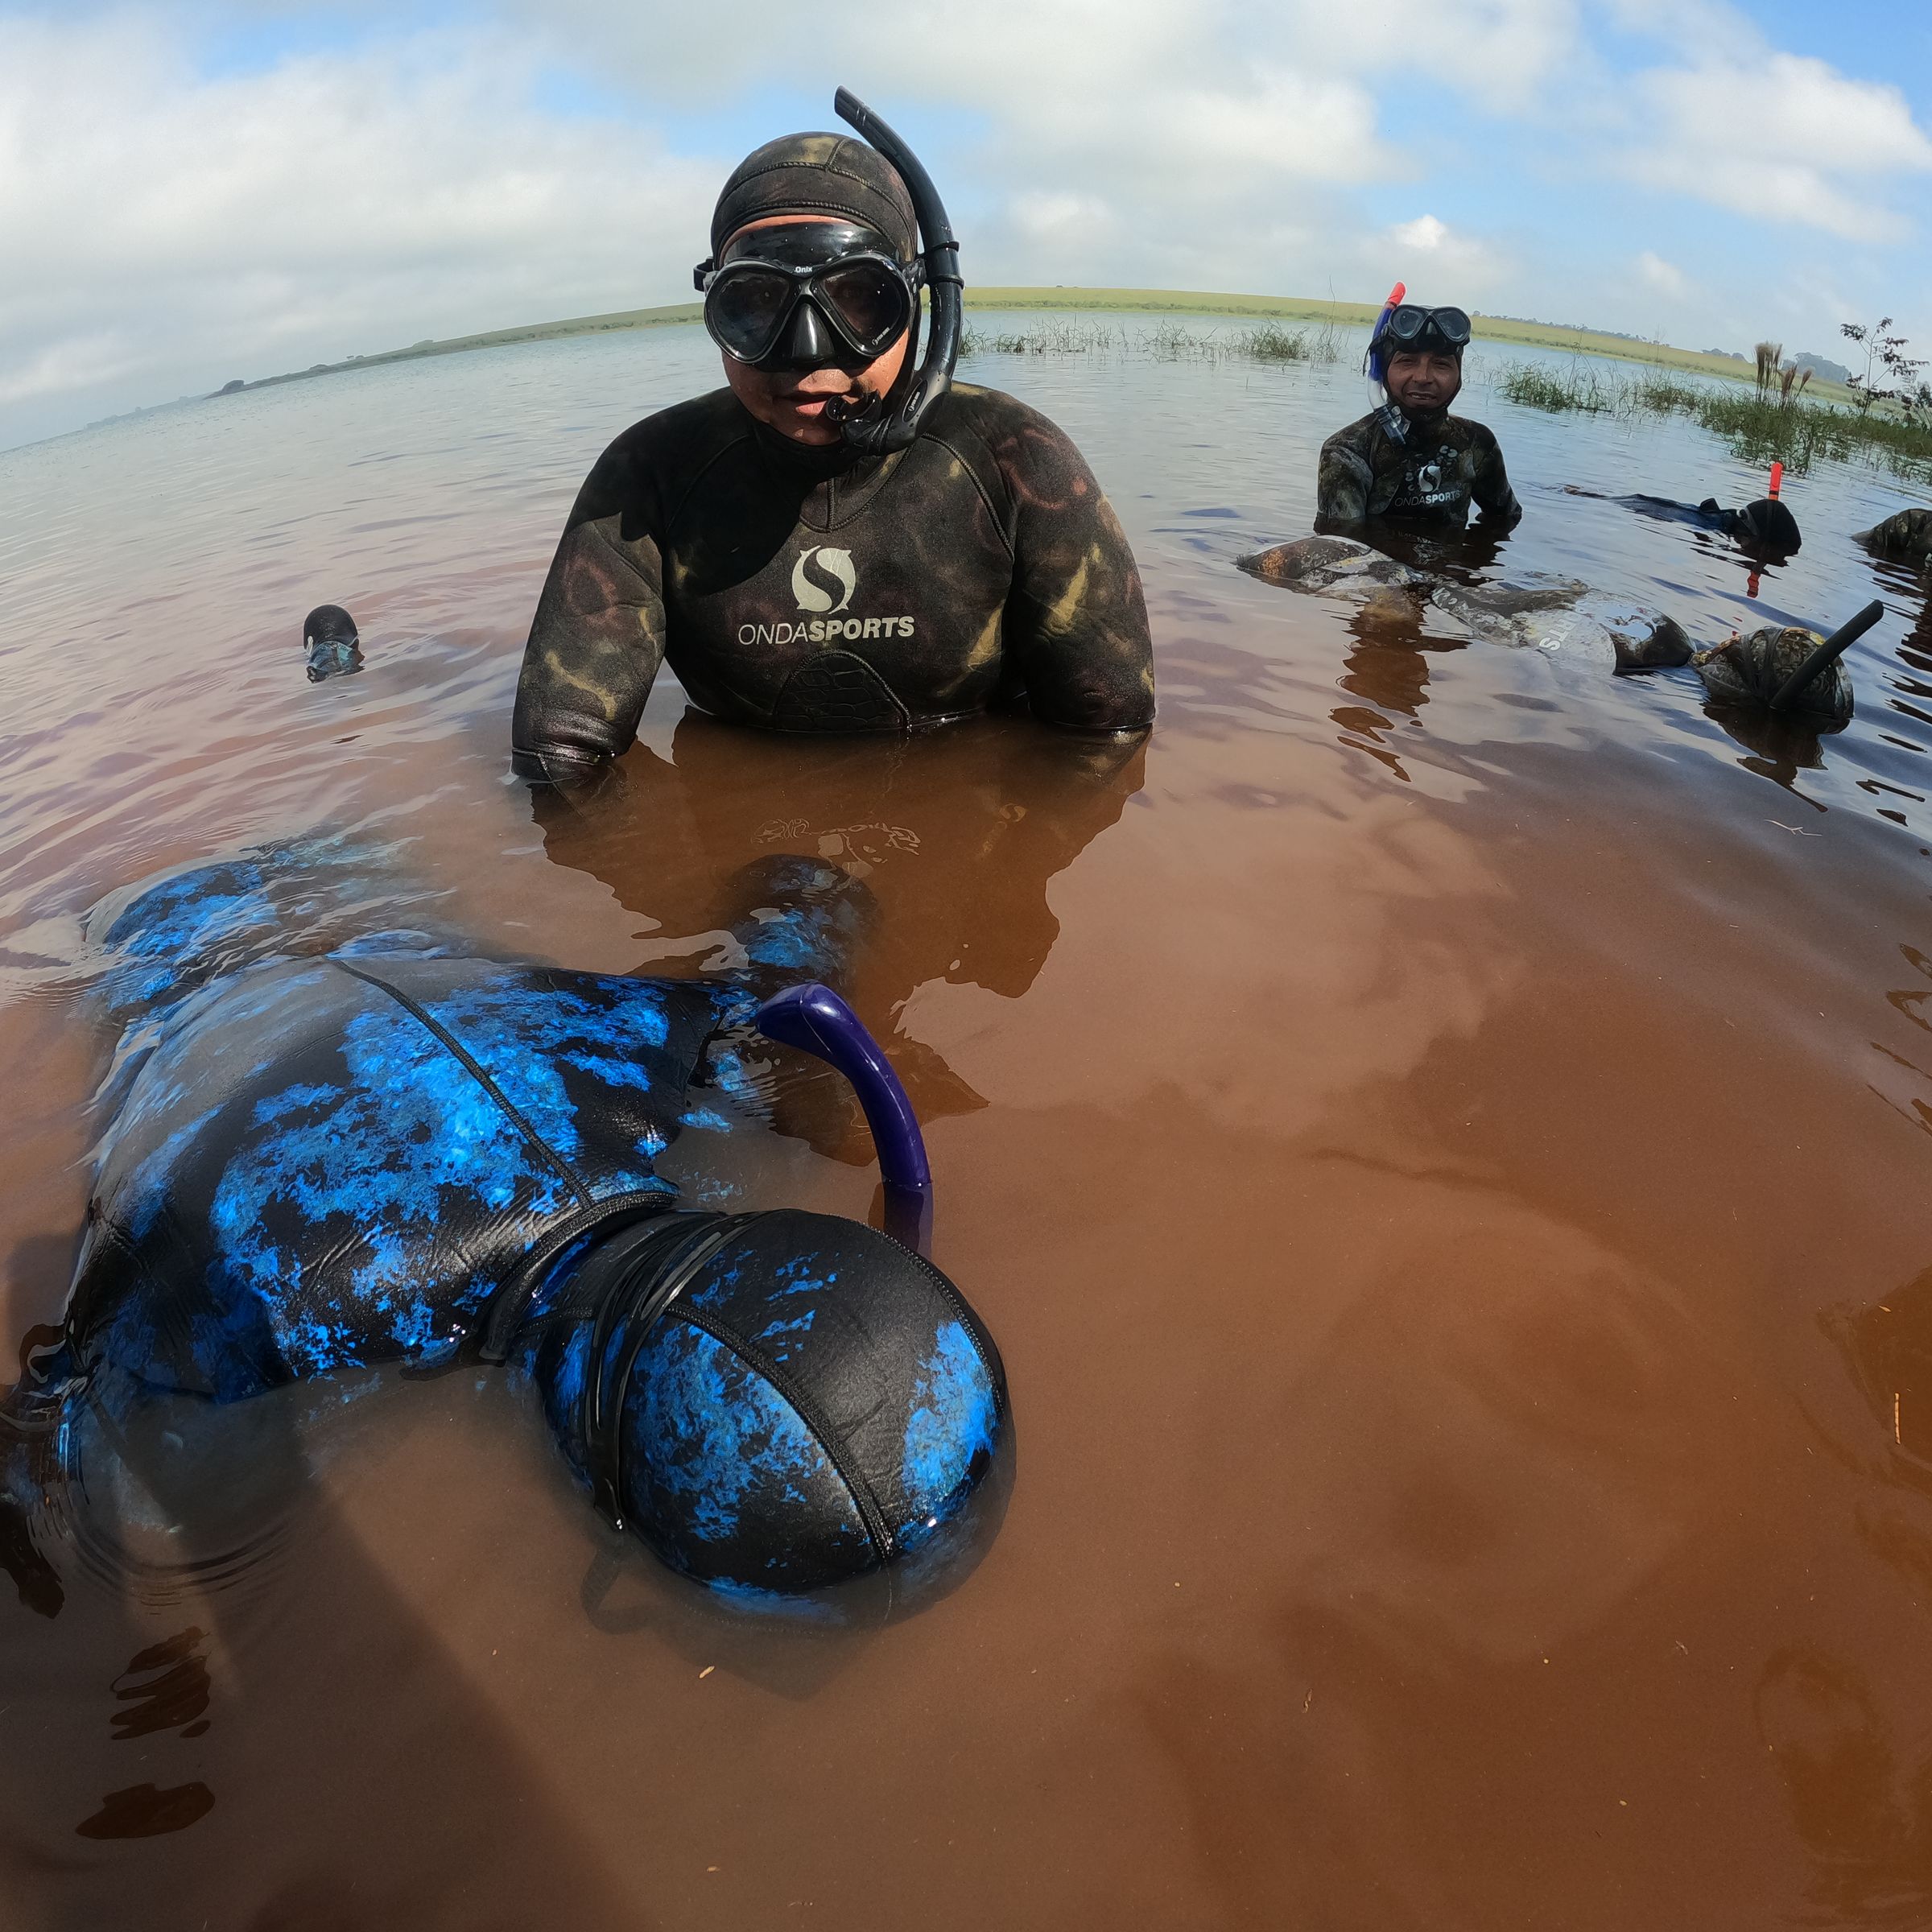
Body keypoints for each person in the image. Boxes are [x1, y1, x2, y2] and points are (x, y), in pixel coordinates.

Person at [2, 840, 1010, 1619]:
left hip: (332, 925)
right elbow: (52, 1429)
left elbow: (810, 886)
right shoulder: (241, 1307)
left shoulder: (654, 1040)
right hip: (167, 968)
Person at [511, 91, 1154, 784]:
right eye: (757, 303)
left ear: (917, 305)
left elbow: (1109, 734)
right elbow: (559, 759)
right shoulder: (646, 479)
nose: (810, 353)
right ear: (716, 310)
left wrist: (977, 877)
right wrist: (698, 892)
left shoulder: (1018, 459)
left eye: (857, 299)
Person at [1315, 299, 1521, 532]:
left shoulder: (1477, 443)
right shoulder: (1348, 450)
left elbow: (1505, 520)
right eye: (1407, 362)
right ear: (1383, 370)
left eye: (1441, 364)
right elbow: (1342, 550)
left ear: (1459, 374)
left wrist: (1470, 566)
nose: (1423, 377)